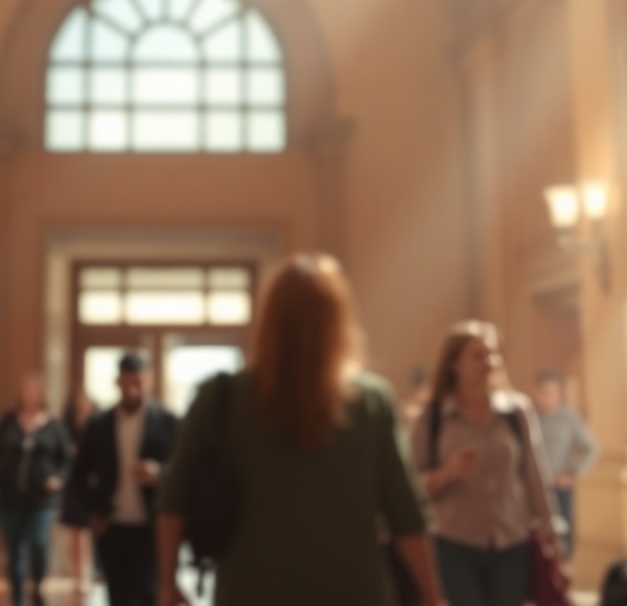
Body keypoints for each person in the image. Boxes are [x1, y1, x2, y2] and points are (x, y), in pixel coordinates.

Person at [156, 253, 442, 606]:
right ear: (340, 323)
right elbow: (405, 513)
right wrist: (432, 595)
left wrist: (168, 583)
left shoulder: (221, 398)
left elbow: (174, 498)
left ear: (269, 322)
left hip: (250, 592)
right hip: (352, 591)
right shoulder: (370, 401)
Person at [411, 320, 563, 606]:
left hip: (511, 540)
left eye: (493, 354)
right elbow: (410, 486)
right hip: (454, 542)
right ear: (454, 362)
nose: (489, 362)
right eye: (478, 355)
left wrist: (552, 535)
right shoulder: (431, 418)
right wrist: (447, 474)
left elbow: (535, 475)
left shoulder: (516, 411)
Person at [68, 353, 179, 606]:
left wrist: (159, 473)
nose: (132, 390)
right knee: (117, 594)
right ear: (117, 382)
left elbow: (185, 470)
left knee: (148, 593)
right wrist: (94, 510)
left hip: (152, 525)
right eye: (126, 383)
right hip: (111, 524)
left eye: (138, 383)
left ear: (149, 381)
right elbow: (78, 475)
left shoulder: (168, 422)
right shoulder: (98, 425)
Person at [0, 374, 73, 606]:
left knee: (39, 544)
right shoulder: (7, 421)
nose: (29, 394)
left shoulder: (54, 424)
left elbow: (68, 460)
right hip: (10, 496)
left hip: (42, 499)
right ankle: (17, 596)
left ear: (41, 394)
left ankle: (38, 585)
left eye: (34, 390)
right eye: (25, 390)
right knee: (15, 549)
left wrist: (58, 479)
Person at [532, 370, 597, 560]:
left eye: (553, 392)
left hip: (559, 487)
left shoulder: (569, 418)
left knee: (563, 536)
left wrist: (572, 473)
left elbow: (591, 448)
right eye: (544, 392)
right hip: (534, 487)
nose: (548, 397)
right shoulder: (529, 417)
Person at [59, 387, 98, 595]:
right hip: (74, 484)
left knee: (91, 531)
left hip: (94, 485)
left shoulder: (98, 425)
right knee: (77, 532)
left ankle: (89, 572)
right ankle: (78, 574)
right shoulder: (65, 427)